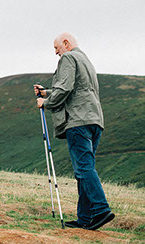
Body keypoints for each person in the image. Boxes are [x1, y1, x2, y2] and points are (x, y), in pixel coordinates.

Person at [34, 32, 115, 230]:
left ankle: (101, 209)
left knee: (83, 168)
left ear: (66, 43)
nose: (56, 53)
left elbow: (65, 89)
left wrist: (46, 102)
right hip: (94, 119)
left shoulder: (68, 57)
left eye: (56, 48)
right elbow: (77, 89)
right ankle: (86, 218)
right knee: (85, 168)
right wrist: (47, 92)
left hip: (78, 120)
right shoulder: (85, 59)